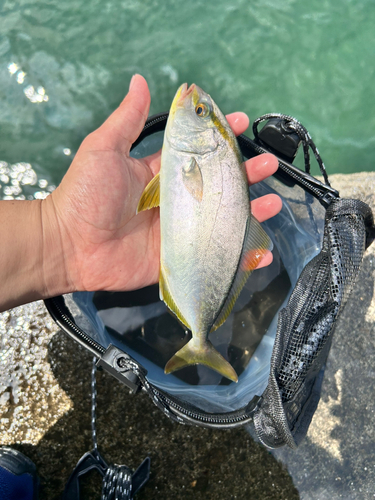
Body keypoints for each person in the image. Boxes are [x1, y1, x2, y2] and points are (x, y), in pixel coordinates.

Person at [0, 74, 282, 499]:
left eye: (199, 111)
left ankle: (198, 339)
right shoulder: (192, 155)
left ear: (206, 137)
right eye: (201, 110)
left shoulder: (192, 155)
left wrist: (55, 236)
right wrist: (59, 233)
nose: (192, 99)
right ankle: (200, 340)